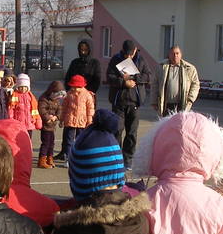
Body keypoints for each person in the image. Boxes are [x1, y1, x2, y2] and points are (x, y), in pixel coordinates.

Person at [106, 39, 153, 169]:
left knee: (132, 133)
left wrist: (133, 78)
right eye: (126, 54)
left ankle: (128, 159)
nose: (128, 57)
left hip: (134, 103)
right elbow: (109, 77)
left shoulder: (141, 61)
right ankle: (116, 158)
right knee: (117, 131)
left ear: (134, 51)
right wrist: (123, 82)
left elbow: (148, 76)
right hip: (119, 102)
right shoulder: (116, 59)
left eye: (130, 55)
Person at [154, 45, 200, 115]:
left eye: (177, 53)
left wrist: (191, 98)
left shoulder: (190, 68)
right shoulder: (161, 67)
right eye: (173, 54)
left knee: (180, 125)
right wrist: (154, 101)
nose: (175, 55)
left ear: (181, 55)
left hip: (182, 104)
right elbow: (155, 84)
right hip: (165, 104)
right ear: (169, 55)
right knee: (167, 125)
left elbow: (196, 84)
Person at [60, 75, 95, 161]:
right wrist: (61, 119)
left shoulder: (87, 95)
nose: (75, 89)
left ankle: (80, 157)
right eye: (73, 87)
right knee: (69, 141)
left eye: (78, 87)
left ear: (82, 86)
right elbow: (64, 107)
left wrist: (89, 121)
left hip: (82, 121)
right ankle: (68, 157)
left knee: (81, 140)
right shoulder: (69, 94)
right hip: (70, 120)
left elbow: (90, 109)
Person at [37, 80, 65, 169]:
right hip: (46, 125)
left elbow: (60, 109)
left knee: (51, 143)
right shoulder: (44, 99)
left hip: (52, 126)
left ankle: (50, 158)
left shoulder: (56, 101)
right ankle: (42, 160)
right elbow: (42, 110)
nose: (57, 99)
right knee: (45, 143)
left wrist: (57, 117)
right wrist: (48, 118)